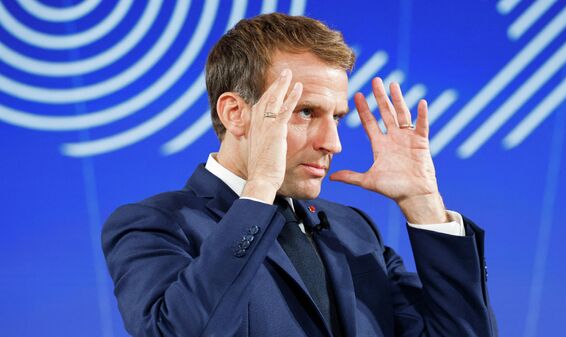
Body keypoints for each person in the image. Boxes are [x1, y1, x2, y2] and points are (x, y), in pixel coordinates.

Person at [102, 13, 497, 337]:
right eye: (306, 112)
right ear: (235, 114)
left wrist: (423, 204)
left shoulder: (354, 230)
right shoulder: (155, 225)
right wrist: (259, 189)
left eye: (337, 117)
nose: (333, 143)